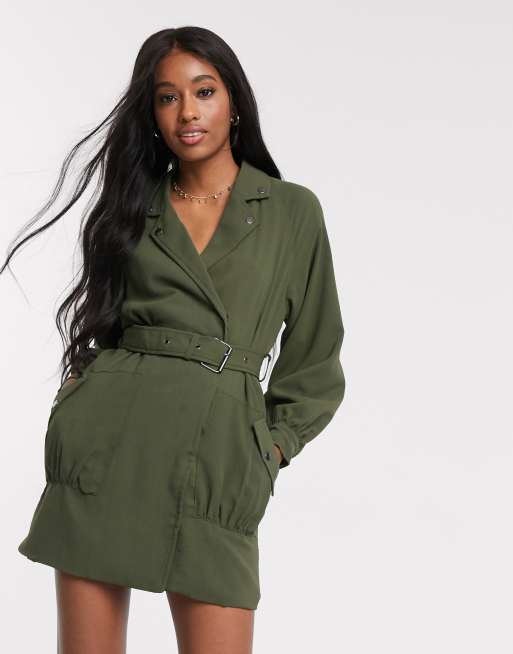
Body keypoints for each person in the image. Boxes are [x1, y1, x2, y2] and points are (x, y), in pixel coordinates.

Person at [3, 26, 346, 654]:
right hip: (106, 452)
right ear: (152, 113)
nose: (187, 112)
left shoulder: (292, 211)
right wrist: (78, 401)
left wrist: (269, 448)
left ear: (234, 101)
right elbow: (108, 326)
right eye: (167, 97)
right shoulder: (132, 207)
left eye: (204, 91)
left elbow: (315, 356)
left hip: (218, 467)